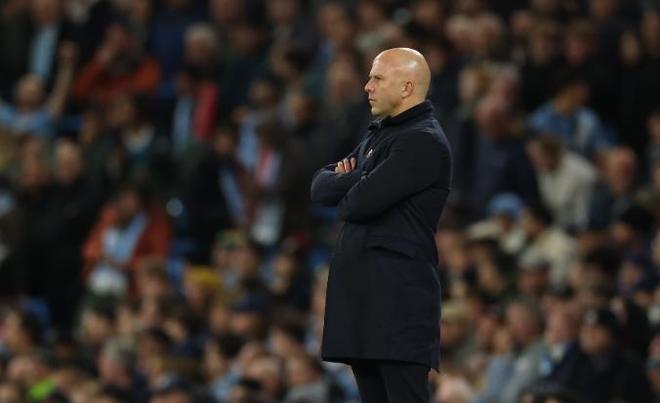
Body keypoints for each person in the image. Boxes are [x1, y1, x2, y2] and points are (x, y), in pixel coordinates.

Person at [310, 47, 452, 403]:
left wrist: (353, 179)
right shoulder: (379, 134)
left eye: (377, 78)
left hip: (397, 301)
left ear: (406, 87)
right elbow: (319, 188)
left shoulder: (422, 140)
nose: (367, 86)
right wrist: (362, 175)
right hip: (365, 297)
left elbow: (357, 204)